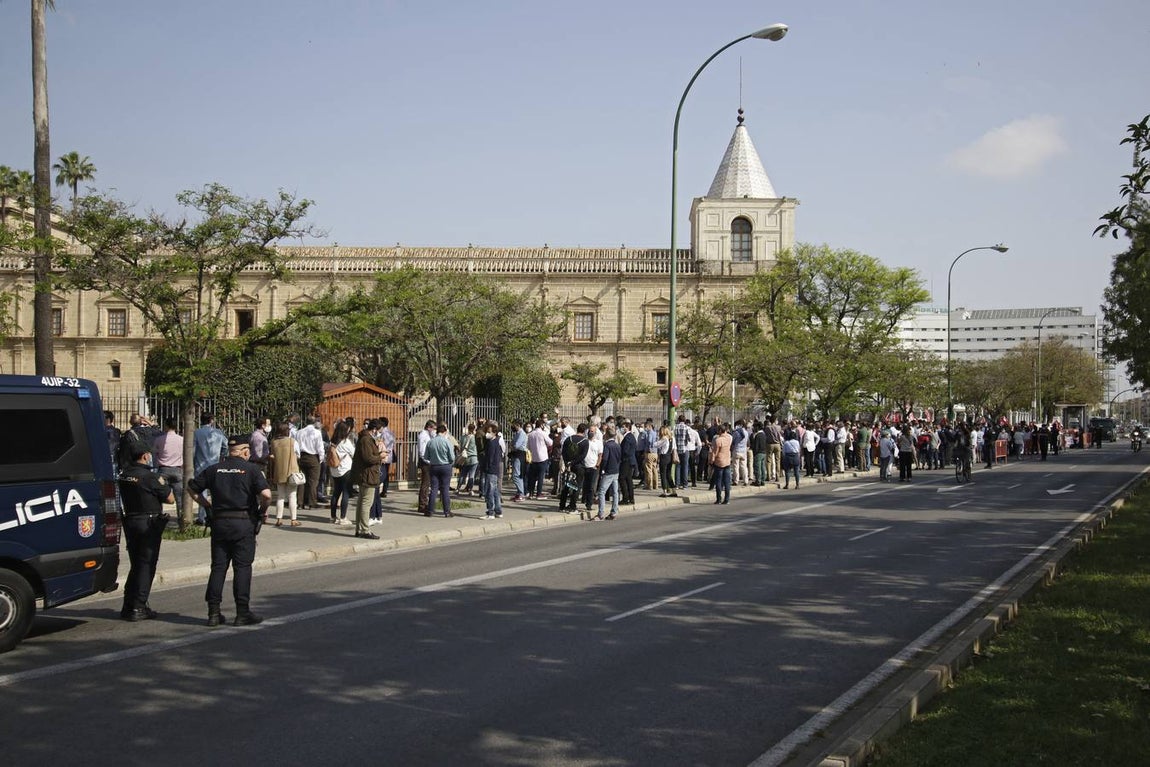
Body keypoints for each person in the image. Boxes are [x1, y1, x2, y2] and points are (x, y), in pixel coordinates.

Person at [187, 435, 272, 627]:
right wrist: (262, 511)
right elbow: (267, 495)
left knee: (218, 567)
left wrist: (206, 505)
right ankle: (242, 613)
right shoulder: (251, 469)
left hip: (220, 522)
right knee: (242, 567)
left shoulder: (214, 469)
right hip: (243, 523)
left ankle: (213, 613)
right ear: (245, 451)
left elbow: (191, 488)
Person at [117, 441, 173, 621]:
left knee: (136, 564)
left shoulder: (124, 475)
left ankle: (128, 604)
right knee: (146, 565)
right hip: (148, 524)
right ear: (145, 456)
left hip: (131, 521)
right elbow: (170, 499)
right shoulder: (150, 477)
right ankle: (139, 606)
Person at [349, 419, 382, 539]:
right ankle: (364, 530)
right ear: (374, 430)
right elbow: (368, 458)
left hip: (366, 474)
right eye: (379, 431)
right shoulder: (366, 440)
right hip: (368, 475)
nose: (379, 433)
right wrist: (380, 456)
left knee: (362, 502)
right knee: (366, 503)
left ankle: (360, 528)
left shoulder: (366, 439)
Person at [193, 413, 227, 524]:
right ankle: (217, 515)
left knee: (202, 492)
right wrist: (222, 456)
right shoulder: (218, 433)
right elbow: (225, 446)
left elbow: (193, 450)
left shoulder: (196, 433)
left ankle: (202, 517)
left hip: (200, 465)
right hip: (215, 464)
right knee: (216, 491)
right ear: (211, 420)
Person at [268, 422, 302, 527]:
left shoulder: (274, 442)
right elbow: (298, 455)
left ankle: (279, 519)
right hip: (292, 471)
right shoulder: (292, 441)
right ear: (287, 431)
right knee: (292, 496)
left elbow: (272, 455)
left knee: (280, 496)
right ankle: (293, 519)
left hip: (279, 471)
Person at [151, 417, 184, 520]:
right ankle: (181, 519)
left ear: (166, 426)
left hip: (163, 470)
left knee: (159, 496)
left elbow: (154, 454)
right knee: (179, 498)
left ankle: (159, 518)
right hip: (177, 470)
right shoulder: (181, 440)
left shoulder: (159, 439)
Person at [328, 420, 356, 525]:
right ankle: (343, 517)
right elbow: (354, 453)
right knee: (346, 493)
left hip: (334, 470)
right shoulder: (345, 442)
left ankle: (333, 517)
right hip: (345, 469)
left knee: (336, 492)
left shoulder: (333, 442)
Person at [425, 422, 456, 518]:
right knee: (445, 489)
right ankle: (447, 512)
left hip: (434, 466)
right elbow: (452, 457)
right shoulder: (447, 442)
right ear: (445, 432)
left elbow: (426, 457)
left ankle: (430, 510)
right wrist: (450, 462)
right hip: (446, 466)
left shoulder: (430, 442)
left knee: (433, 489)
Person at [294, 415, 325, 509]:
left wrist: (298, 456)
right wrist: (321, 458)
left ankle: (300, 502)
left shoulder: (299, 432)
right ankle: (312, 502)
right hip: (313, 457)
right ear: (314, 422)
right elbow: (320, 446)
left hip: (302, 456)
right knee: (313, 481)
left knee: (301, 480)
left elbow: (296, 446)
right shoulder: (316, 432)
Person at [595, 425, 622, 520]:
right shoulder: (617, 445)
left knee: (601, 492)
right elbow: (619, 458)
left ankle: (601, 513)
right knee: (615, 492)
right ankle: (614, 511)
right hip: (616, 470)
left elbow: (605, 458)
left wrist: (603, 469)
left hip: (608, 471)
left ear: (606, 435)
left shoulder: (607, 445)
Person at [481, 421, 505, 519]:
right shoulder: (494, 442)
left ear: (494, 433)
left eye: (489, 432)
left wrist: (487, 468)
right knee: (495, 491)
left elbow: (490, 458)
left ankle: (490, 512)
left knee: (489, 491)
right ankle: (498, 511)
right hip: (494, 468)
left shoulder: (492, 443)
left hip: (491, 469)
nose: (487, 434)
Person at [710, 423, 733, 504]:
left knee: (718, 481)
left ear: (720, 430)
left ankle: (719, 499)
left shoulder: (718, 440)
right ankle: (727, 499)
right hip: (727, 461)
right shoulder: (729, 438)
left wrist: (711, 461)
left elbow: (715, 452)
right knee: (727, 481)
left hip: (719, 462)